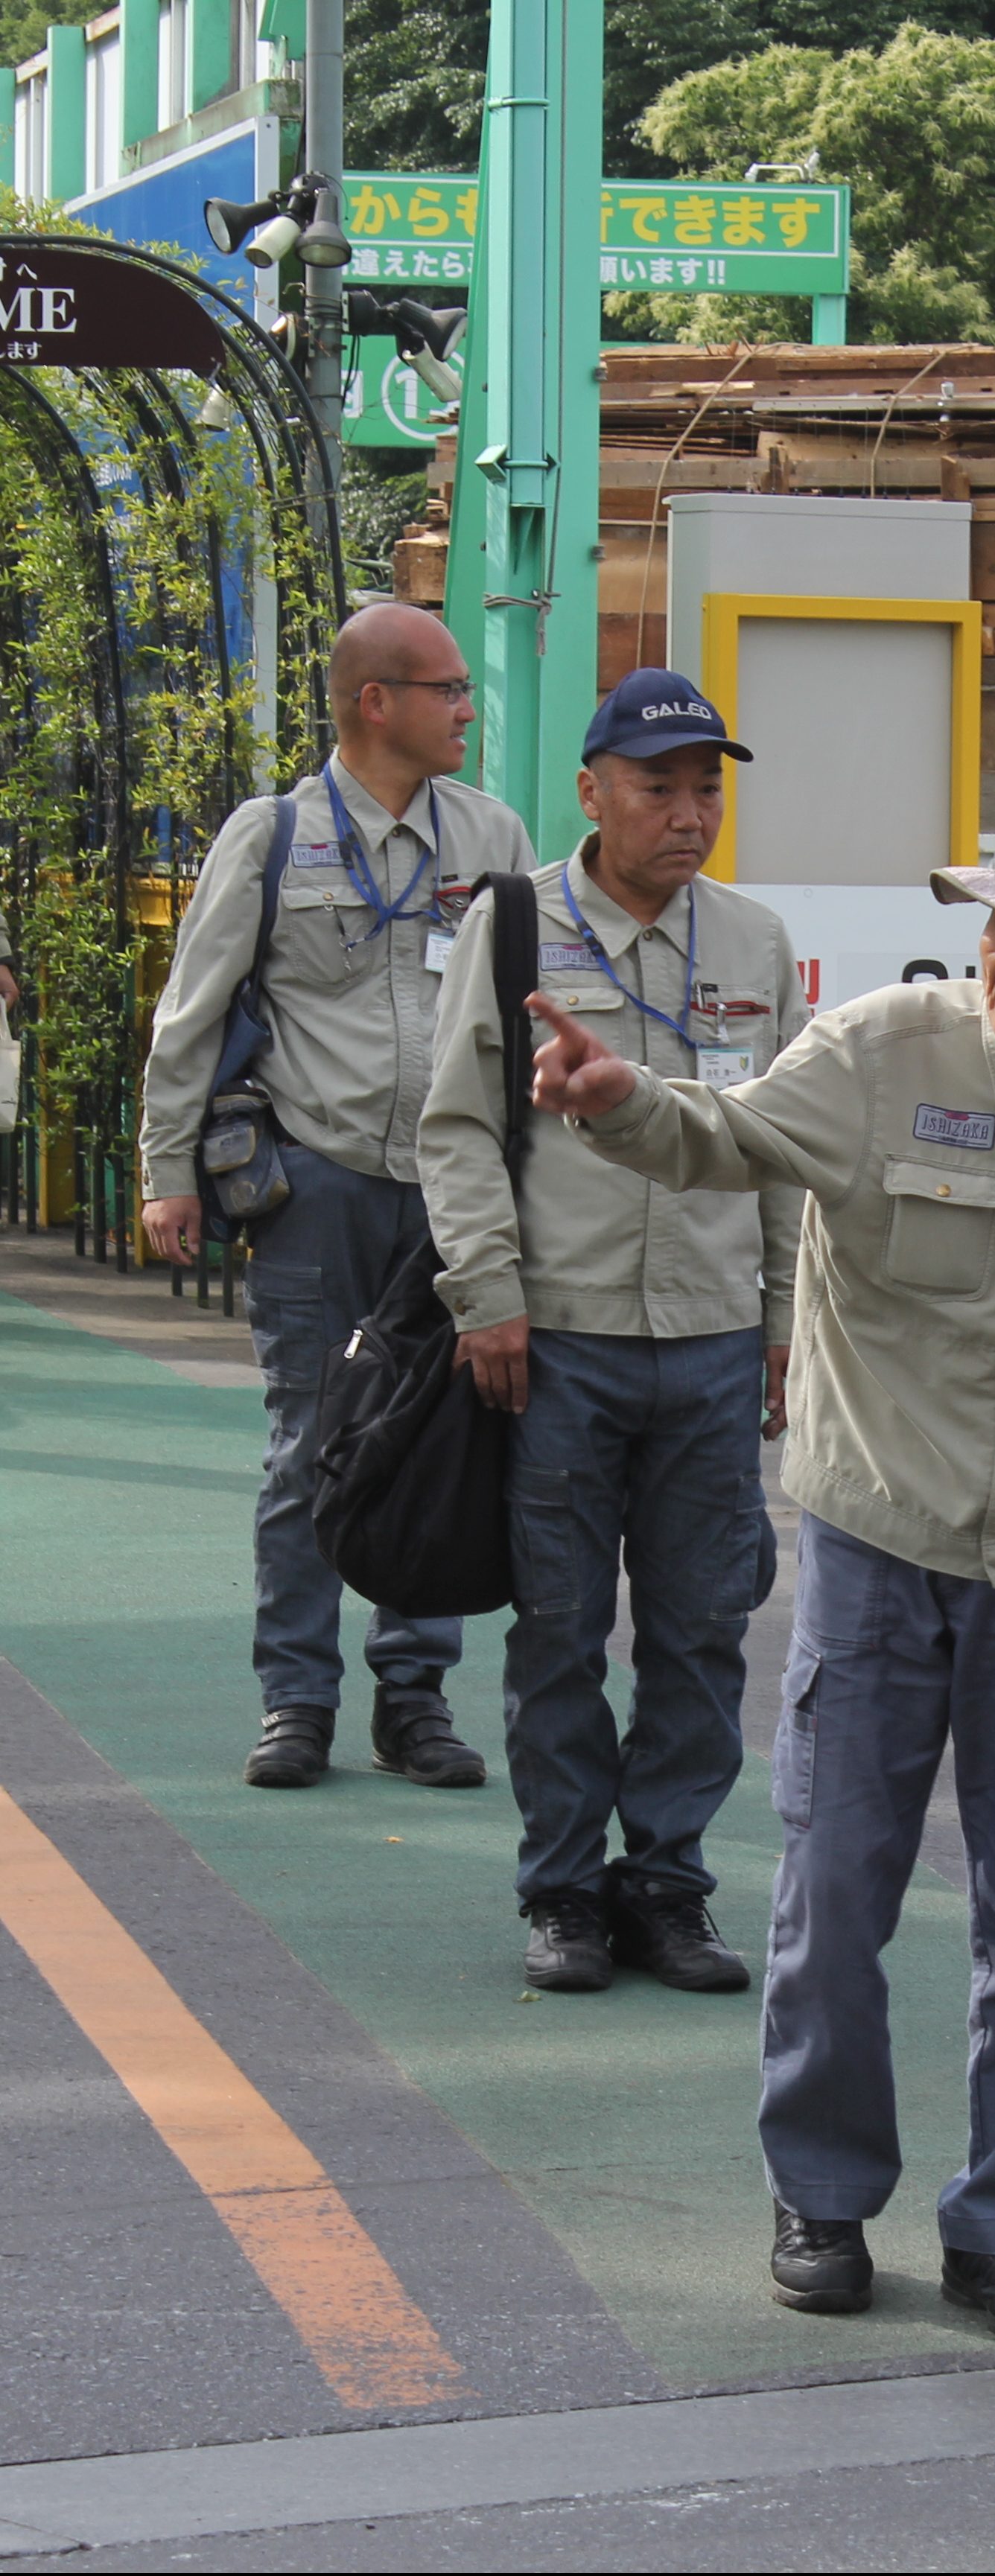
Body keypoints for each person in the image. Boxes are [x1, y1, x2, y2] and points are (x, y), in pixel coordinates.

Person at [526, 800, 995, 2348]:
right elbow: (723, 1135)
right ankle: (821, 2195)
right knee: (832, 1898)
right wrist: (615, 1101)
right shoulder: (880, 1051)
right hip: (877, 1537)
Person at [416, 670, 806, 1996]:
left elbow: (782, 1150)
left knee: (703, 1629)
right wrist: (488, 1295)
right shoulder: (515, 926)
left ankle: (668, 1888)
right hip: (561, 1342)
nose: (689, 813)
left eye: (707, 789)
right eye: (658, 787)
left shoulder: (755, 942)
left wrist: (782, 1322)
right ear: (592, 792)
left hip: (711, 1345)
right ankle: (566, 1892)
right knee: (560, 1629)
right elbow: (457, 1128)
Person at [137, 604, 534, 1793]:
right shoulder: (272, 838)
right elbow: (191, 1013)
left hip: (458, 1196)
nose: (465, 709)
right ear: (376, 703)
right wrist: (167, 1175)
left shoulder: (493, 835)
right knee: (309, 1445)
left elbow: (529, 1012)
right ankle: (296, 1701)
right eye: (447, 688)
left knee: (444, 1443)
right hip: (319, 1182)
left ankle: (413, 1702)